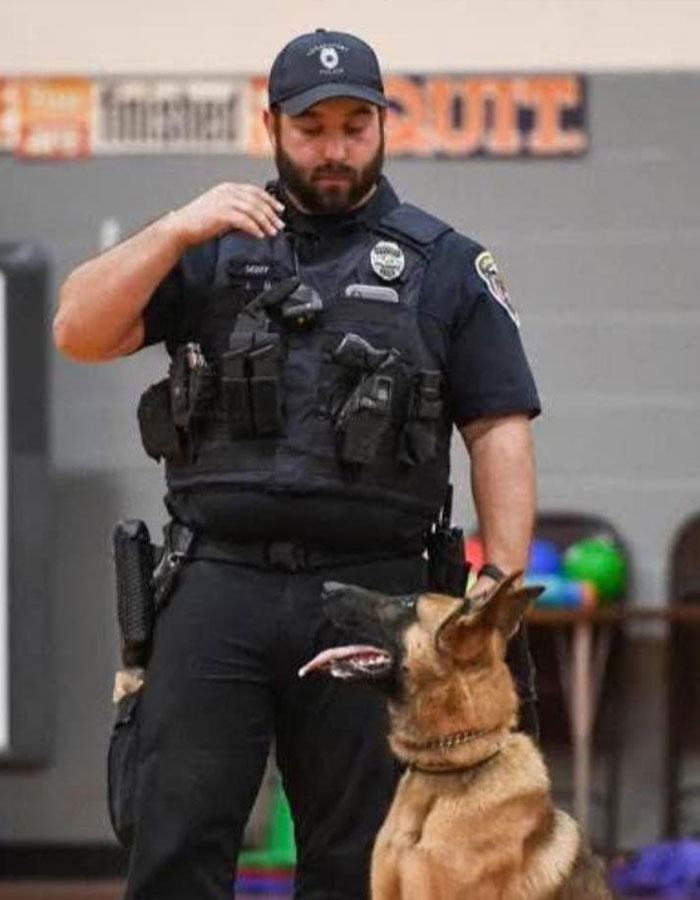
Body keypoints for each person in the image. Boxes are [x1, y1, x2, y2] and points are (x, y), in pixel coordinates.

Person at [54, 28, 541, 900]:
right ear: (272, 123)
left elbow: (498, 426)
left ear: (383, 126)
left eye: (357, 126)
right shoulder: (210, 244)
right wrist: (173, 228)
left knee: (361, 859)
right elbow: (78, 330)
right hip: (217, 584)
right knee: (174, 840)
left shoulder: (446, 266)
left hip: (372, 593)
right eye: (314, 127)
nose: (335, 148)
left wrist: (498, 589)